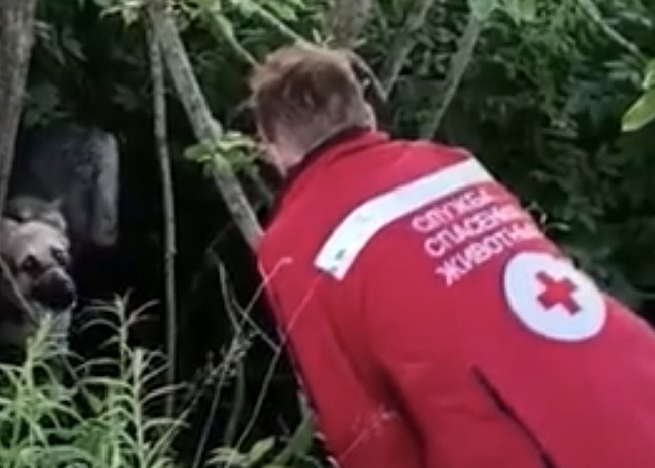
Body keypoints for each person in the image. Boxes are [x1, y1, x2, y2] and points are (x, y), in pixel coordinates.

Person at [245, 43, 655, 468]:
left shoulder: (292, 244)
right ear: (365, 111)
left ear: (271, 145)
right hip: (638, 382)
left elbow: (360, 427)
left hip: (529, 444)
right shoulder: (452, 166)